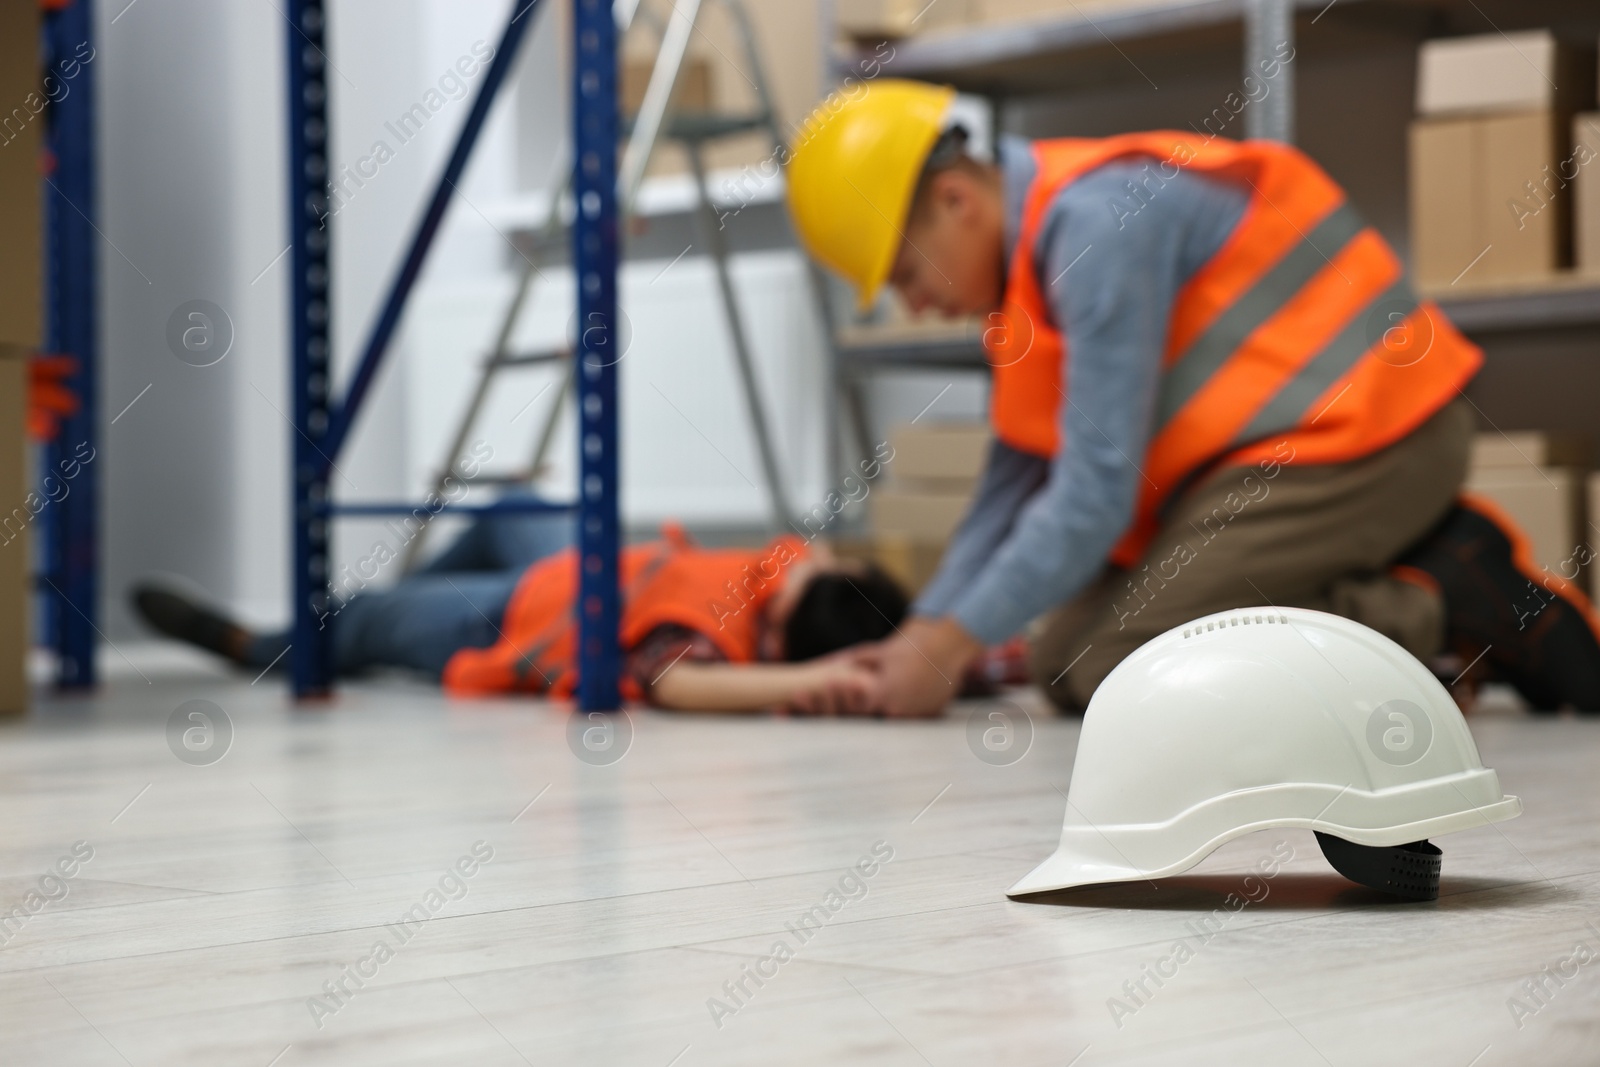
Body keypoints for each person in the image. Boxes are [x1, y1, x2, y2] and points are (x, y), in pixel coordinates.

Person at [784, 79, 1600, 717]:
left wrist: (945, 645)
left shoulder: (1094, 229)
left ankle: (1439, 596)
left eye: (905, 275)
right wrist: (926, 632)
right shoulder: (1030, 271)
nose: (915, 305)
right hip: (1279, 462)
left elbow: (1095, 495)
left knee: (1115, 667)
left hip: (1373, 433)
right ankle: (1407, 585)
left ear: (956, 202)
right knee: (1061, 661)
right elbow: (1013, 485)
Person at [131, 505, 913, 713]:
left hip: (517, 619)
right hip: (574, 562)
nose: (809, 559)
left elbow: (675, 683)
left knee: (368, 614)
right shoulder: (791, 576)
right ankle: (391, 616)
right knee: (514, 506)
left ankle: (261, 643)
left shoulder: (709, 637)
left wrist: (816, 679)